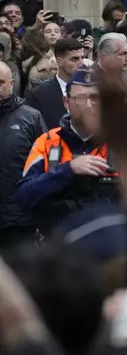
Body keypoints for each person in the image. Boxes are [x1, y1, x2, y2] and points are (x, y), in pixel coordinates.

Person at [16, 67, 127, 234]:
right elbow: (24, 196)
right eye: (80, 98)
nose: (88, 105)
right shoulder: (48, 143)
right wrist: (67, 169)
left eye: (95, 98)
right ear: (67, 102)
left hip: (111, 248)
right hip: (59, 248)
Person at [0, 60, 46, 249]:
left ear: (11, 84)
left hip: (19, 220)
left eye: (0, 82)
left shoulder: (31, 117)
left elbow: (44, 168)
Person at [26, 38, 85, 129]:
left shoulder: (94, 91)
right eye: (75, 59)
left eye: (82, 58)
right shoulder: (38, 94)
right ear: (59, 61)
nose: (81, 64)